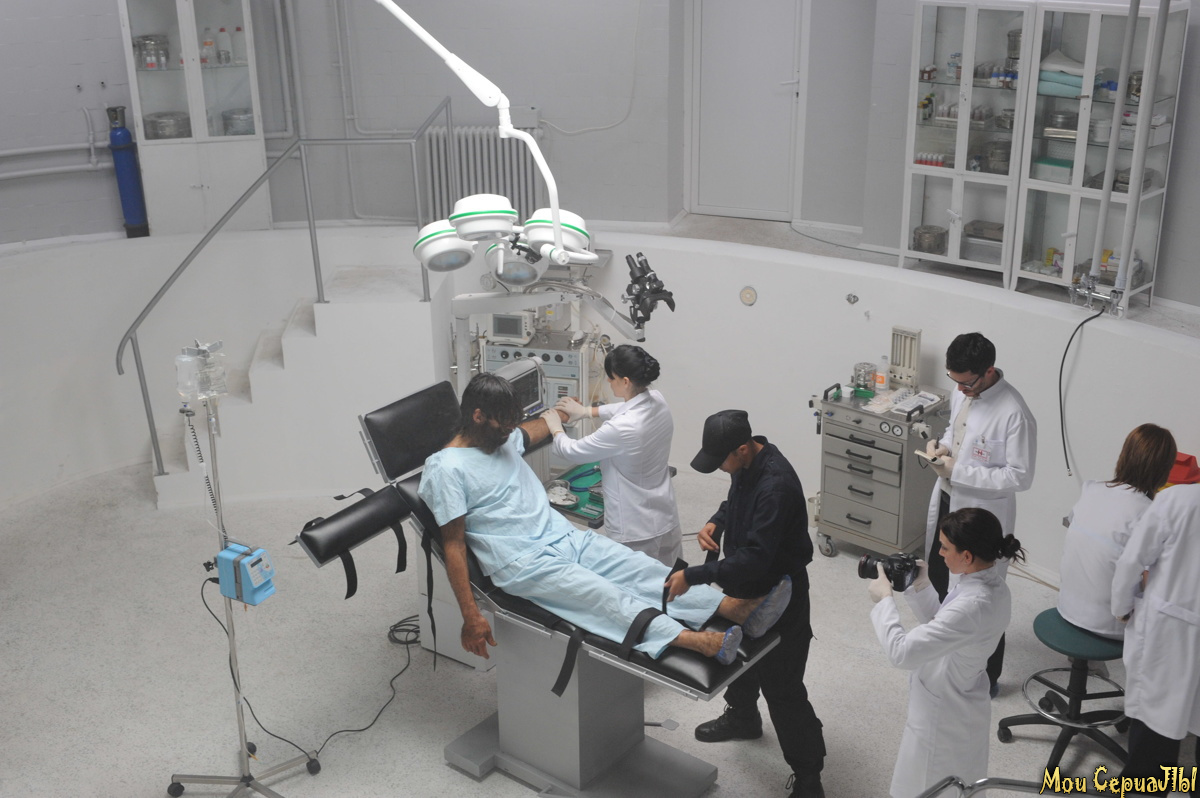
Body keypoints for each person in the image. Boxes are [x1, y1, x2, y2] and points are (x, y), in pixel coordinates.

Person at [417, 373, 792, 665]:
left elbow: (534, 429)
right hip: (522, 563)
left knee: (639, 568)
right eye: (503, 426)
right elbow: (454, 545)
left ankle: (728, 607)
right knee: (604, 597)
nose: (509, 434)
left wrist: (565, 413)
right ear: (478, 416)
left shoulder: (501, 438)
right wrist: (470, 615)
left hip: (564, 536)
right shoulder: (446, 468)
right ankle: (693, 641)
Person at [666, 410, 826, 798]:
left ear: (741, 449)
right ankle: (742, 717)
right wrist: (717, 521)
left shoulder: (776, 486)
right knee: (738, 655)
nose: (722, 468)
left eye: (722, 461)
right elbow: (737, 499)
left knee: (783, 688)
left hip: (779, 595)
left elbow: (756, 558)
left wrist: (693, 576)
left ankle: (809, 777)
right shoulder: (748, 462)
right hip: (743, 586)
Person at [869, 507, 1022, 798]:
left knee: (928, 786)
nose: (939, 554)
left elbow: (901, 653)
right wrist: (920, 585)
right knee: (955, 783)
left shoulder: (974, 603)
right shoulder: (992, 586)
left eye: (945, 547)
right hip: (961, 698)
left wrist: (884, 600)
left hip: (943, 714)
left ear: (967, 556)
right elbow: (947, 629)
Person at [924, 331, 1036, 694]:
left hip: (981, 516)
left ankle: (987, 680)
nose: (959, 390)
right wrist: (941, 447)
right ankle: (946, 659)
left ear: (988, 371)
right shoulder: (964, 391)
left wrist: (958, 470)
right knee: (941, 579)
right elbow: (955, 431)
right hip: (948, 500)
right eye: (954, 381)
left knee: (982, 599)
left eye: (966, 383)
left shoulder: (1015, 413)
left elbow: (1020, 477)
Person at [548, 345, 683, 565]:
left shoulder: (622, 427)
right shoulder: (657, 399)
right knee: (673, 576)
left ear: (625, 381)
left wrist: (555, 428)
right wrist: (587, 411)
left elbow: (573, 451)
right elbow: (624, 408)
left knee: (636, 581)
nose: (608, 382)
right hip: (665, 516)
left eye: (611, 378)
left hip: (634, 528)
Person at [1111, 482, 1200, 796]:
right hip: (1175, 627)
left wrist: (1121, 609)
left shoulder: (1179, 499)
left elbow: (1131, 561)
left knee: (1156, 726)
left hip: (1169, 632)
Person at [1058, 424, 1176, 639]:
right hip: (1110, 625)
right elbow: (1153, 580)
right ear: (1164, 469)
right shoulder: (1149, 513)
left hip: (1066, 606)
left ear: (1124, 455)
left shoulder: (1091, 489)